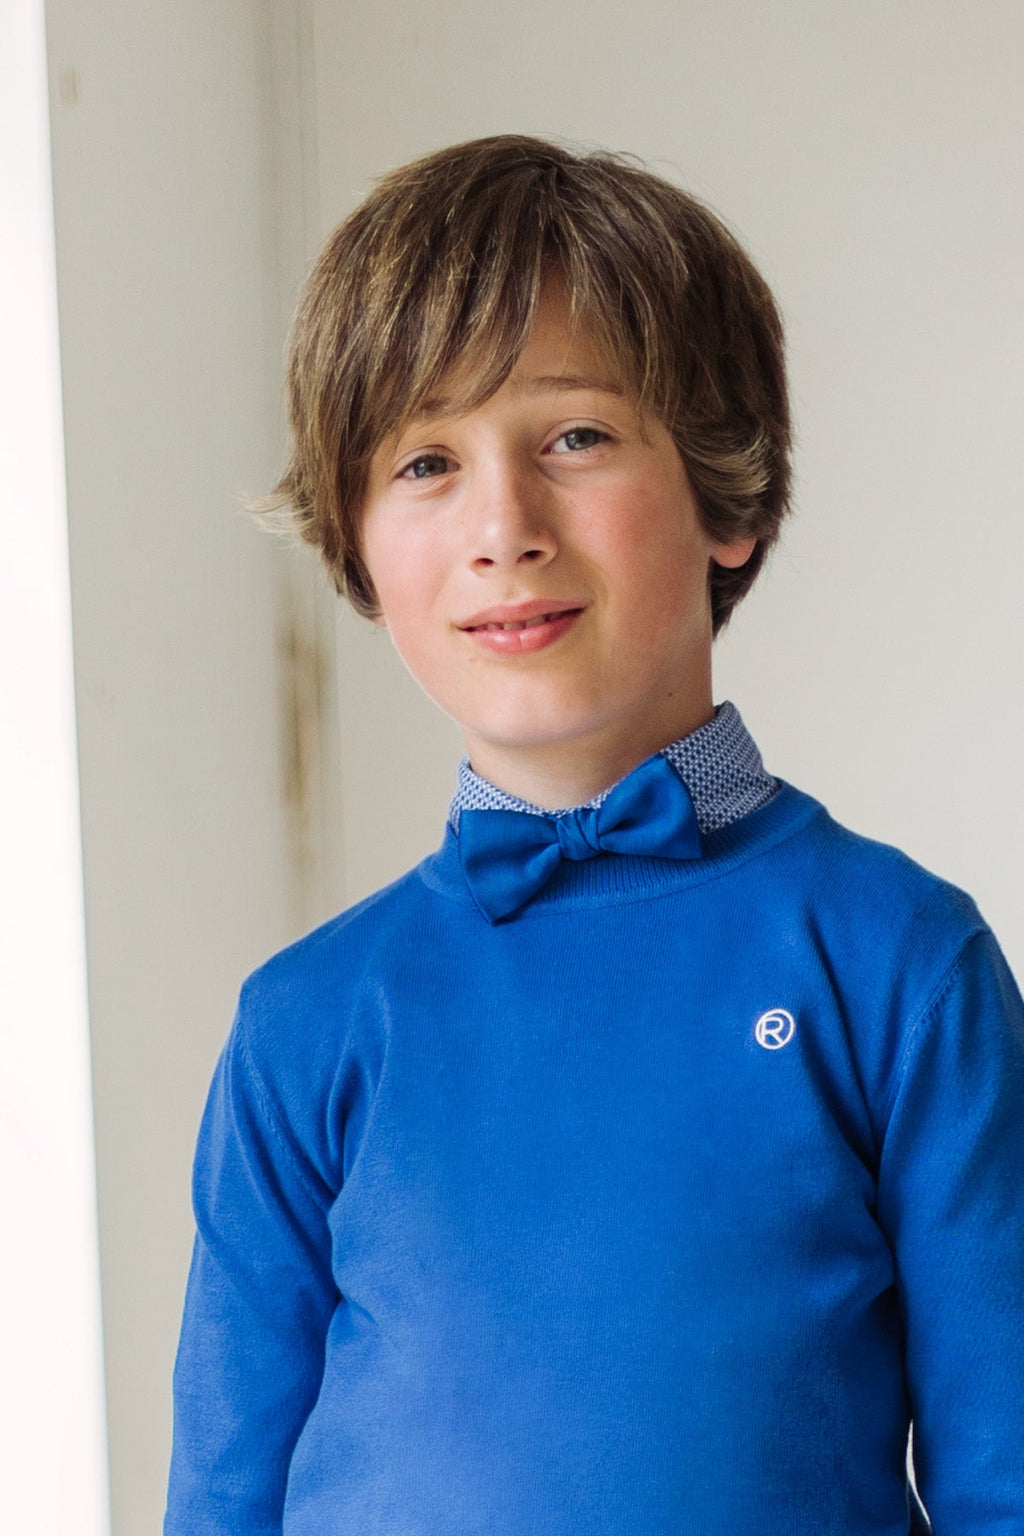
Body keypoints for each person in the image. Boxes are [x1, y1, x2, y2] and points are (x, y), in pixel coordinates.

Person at [165, 135, 1024, 1535]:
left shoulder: (900, 963)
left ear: (726, 495)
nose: (503, 526)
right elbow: (219, 1502)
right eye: (426, 461)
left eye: (574, 437)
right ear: (359, 549)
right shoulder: (303, 1025)